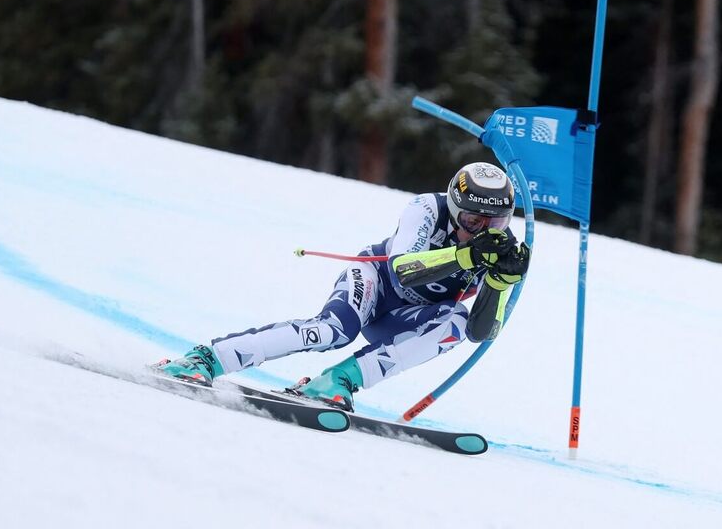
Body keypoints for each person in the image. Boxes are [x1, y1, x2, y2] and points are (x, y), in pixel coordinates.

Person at [155, 161, 530, 411]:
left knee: (455, 323)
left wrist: (500, 282)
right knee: (331, 331)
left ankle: (337, 381)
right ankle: (205, 358)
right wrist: (466, 257)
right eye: (472, 219)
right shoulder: (427, 209)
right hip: (374, 282)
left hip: (405, 315)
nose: (481, 230)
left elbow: (480, 333)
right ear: (453, 205)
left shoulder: (498, 248)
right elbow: (402, 270)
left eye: (493, 223)